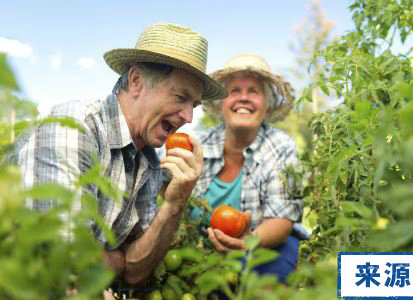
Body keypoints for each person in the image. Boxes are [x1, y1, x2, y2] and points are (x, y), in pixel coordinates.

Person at [13, 23, 227, 285]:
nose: (189, 117)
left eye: (193, 105)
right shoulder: (75, 127)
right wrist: (114, 259)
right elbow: (61, 262)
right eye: (181, 97)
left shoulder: (148, 160)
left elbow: (135, 271)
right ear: (136, 81)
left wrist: (175, 203)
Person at [191, 54, 304, 283]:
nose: (244, 98)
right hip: (201, 248)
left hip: (265, 246)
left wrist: (248, 242)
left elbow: (282, 220)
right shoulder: (197, 145)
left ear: (267, 105)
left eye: (254, 91)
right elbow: (163, 184)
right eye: (234, 91)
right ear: (221, 102)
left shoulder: (281, 146)